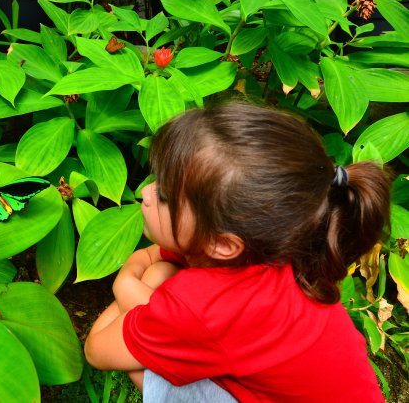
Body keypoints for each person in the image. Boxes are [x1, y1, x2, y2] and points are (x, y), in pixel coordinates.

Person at [84, 101, 391, 402]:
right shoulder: (278, 241)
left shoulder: (207, 304)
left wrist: (124, 283)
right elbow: (153, 258)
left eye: (164, 195)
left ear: (224, 244)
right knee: (159, 273)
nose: (145, 192)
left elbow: (97, 348)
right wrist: (153, 288)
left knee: (153, 366)